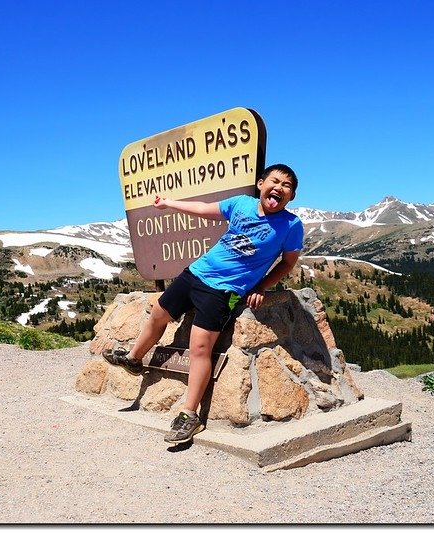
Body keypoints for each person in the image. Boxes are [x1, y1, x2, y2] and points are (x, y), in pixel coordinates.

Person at [104, 163, 304, 444]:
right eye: (275, 181)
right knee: (158, 313)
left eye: (287, 186)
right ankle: (134, 359)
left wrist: (261, 285)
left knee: (200, 348)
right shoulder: (240, 204)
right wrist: (169, 203)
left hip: (224, 290)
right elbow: (203, 209)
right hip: (196, 273)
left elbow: (288, 263)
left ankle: (189, 415)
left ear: (291, 196)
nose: (279, 188)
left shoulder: (291, 225)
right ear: (261, 184)